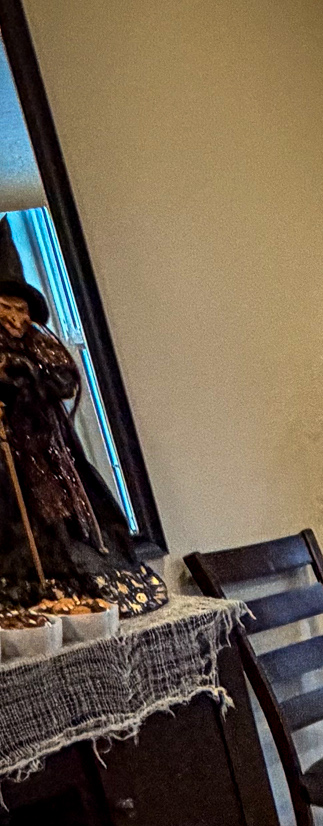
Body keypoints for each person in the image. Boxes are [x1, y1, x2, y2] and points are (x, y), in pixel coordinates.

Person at [0, 217, 163, 610]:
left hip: (53, 449)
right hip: (10, 458)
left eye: (21, 309)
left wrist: (31, 381)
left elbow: (65, 378)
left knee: (75, 509)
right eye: (6, 308)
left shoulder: (40, 344)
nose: (16, 318)